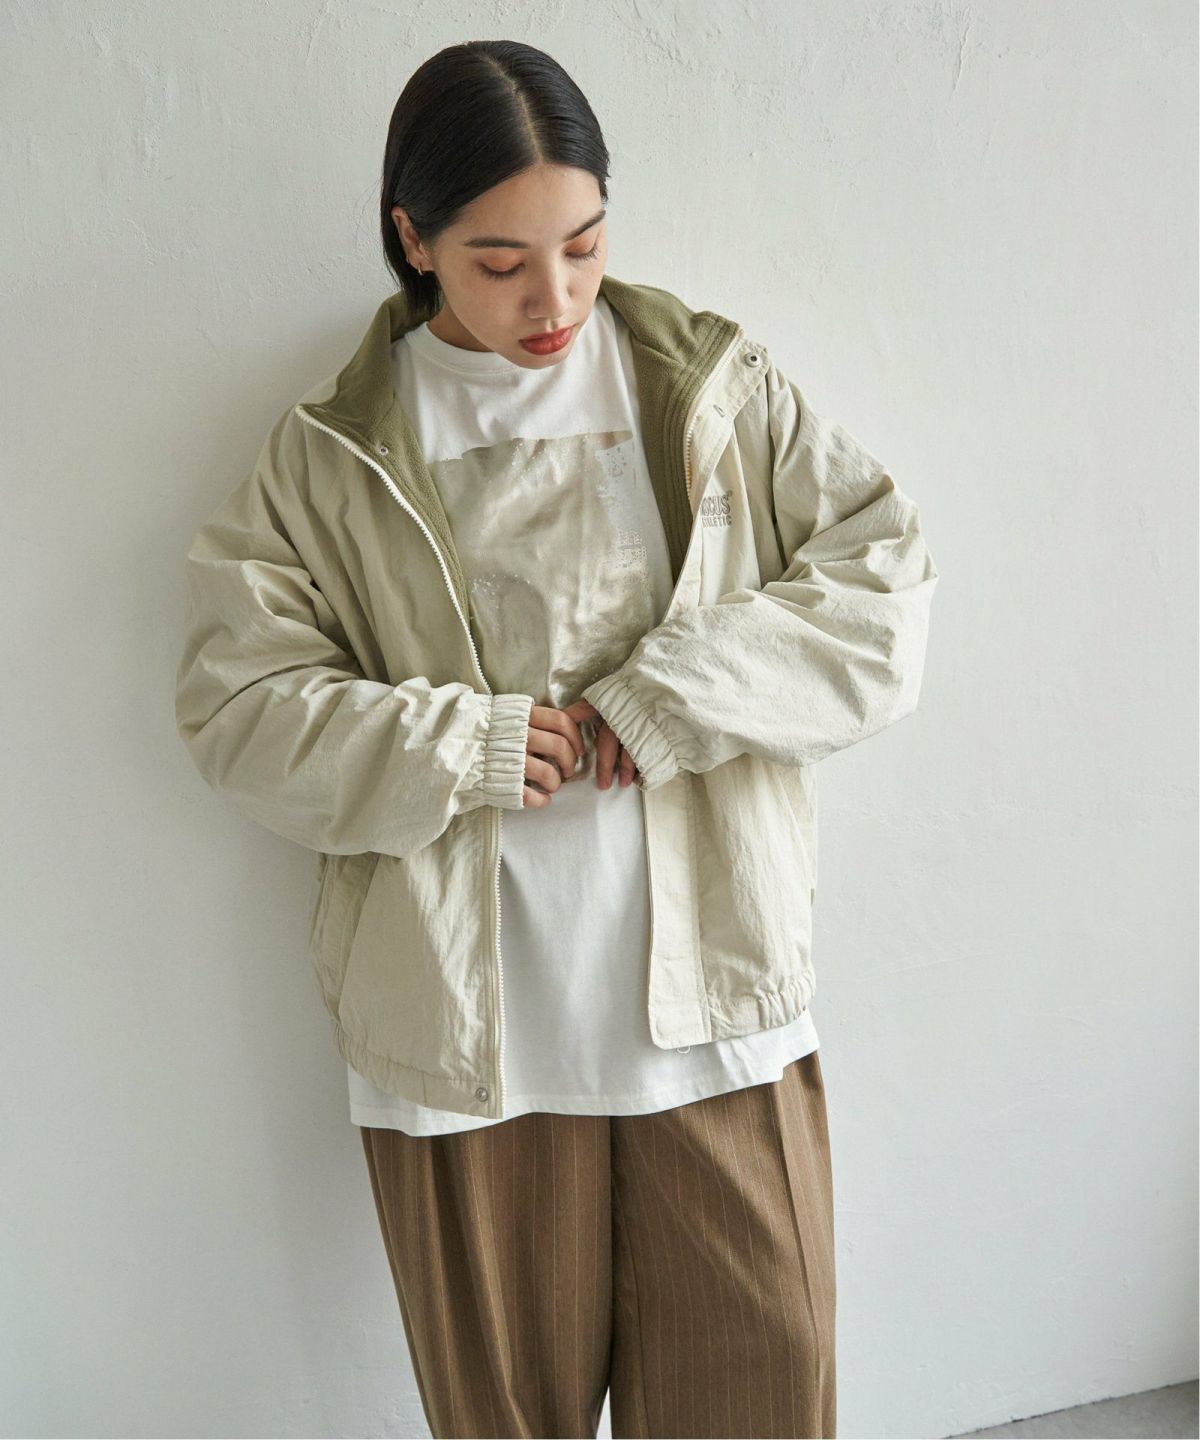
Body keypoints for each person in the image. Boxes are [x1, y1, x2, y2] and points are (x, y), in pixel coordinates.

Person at [175, 38, 938, 1440]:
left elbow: (884, 593)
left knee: (766, 1392)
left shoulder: (706, 389)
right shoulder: (331, 455)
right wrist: (453, 747)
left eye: (583, 246)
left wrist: (675, 693)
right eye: (500, 261)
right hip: (470, 1043)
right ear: (414, 241)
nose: (554, 300)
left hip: (716, 1009)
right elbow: (239, 706)